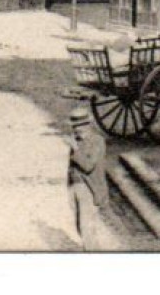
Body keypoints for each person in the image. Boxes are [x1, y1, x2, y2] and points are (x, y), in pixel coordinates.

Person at [67, 107, 110, 250]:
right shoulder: (77, 140)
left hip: (89, 188)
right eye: (75, 126)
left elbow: (88, 166)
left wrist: (75, 149)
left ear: (88, 125)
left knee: (87, 227)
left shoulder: (97, 141)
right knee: (79, 225)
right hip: (75, 186)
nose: (77, 129)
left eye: (80, 126)